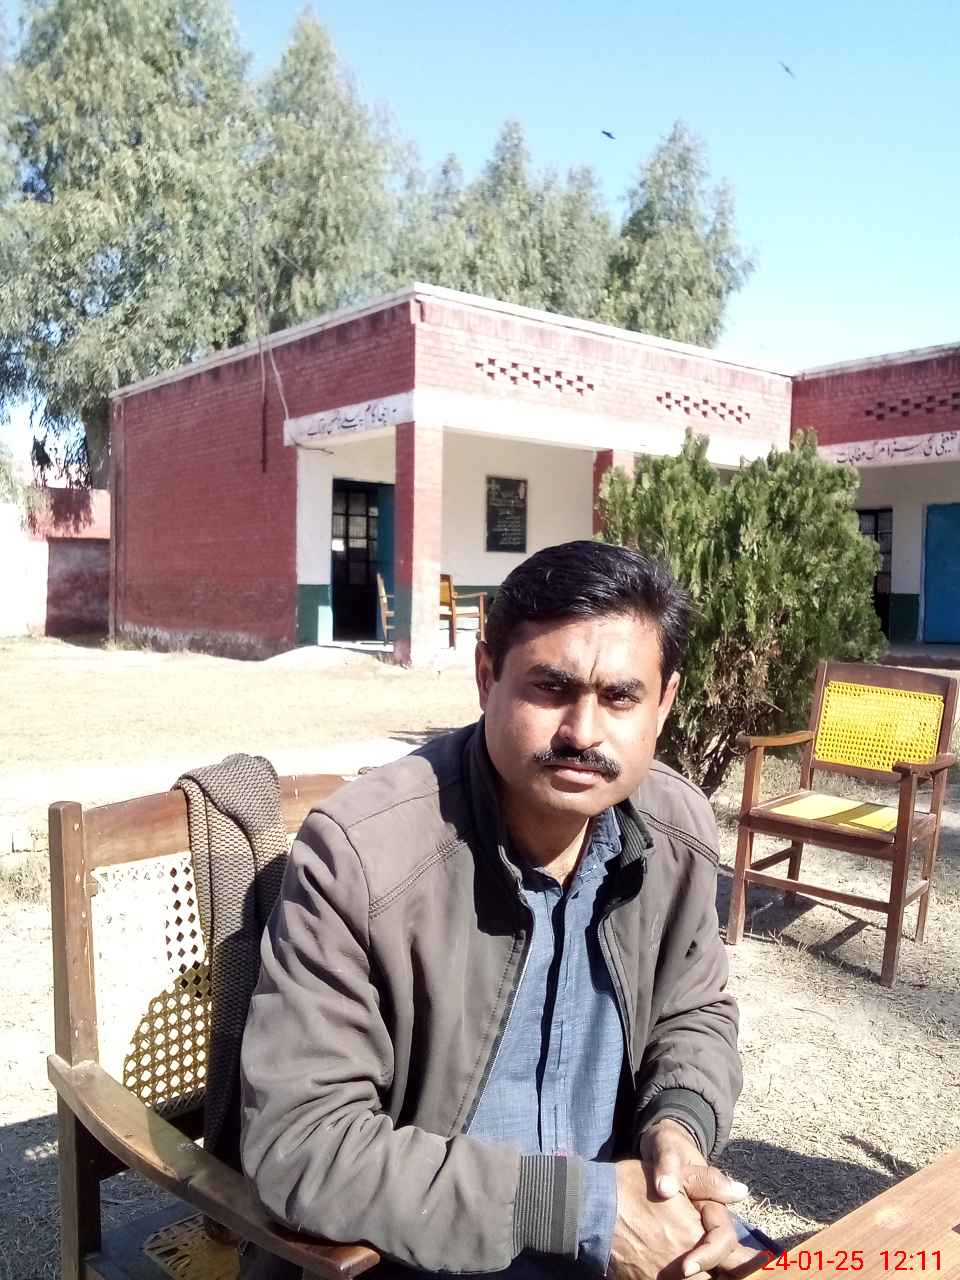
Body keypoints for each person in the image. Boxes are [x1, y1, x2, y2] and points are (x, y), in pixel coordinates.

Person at [240, 540, 759, 1279]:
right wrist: (580, 1211)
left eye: (620, 697)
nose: (583, 733)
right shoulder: (360, 856)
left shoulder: (676, 830)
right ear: (487, 677)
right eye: (551, 688)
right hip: (429, 1252)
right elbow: (302, 1142)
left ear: (665, 702)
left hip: (634, 1216)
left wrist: (680, 1127)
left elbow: (694, 1010)